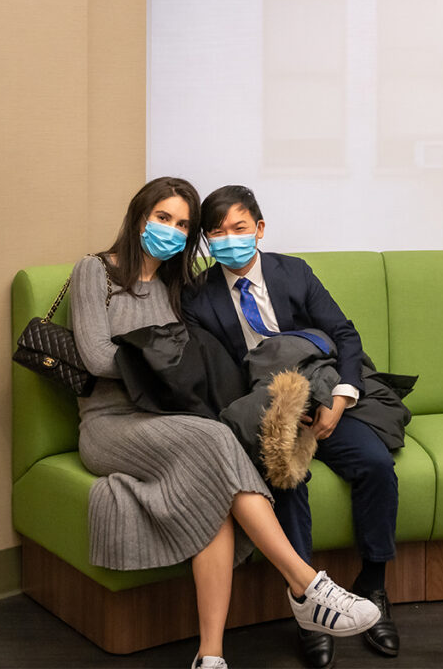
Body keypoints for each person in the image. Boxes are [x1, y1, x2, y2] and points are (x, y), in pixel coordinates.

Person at [71, 177, 380, 669]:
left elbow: (199, 359)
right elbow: (96, 357)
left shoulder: (180, 286)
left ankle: (209, 656)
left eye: (182, 224)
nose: (171, 230)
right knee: (216, 438)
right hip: (112, 423)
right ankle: (307, 587)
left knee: (214, 489)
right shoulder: (97, 271)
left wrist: (167, 362)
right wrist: (163, 358)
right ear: (139, 216)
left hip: (171, 417)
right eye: (162, 218)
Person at [183, 185, 410, 669]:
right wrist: (274, 411)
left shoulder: (293, 272)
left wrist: (341, 398)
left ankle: (373, 585)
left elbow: (345, 333)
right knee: (287, 481)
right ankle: (308, 607)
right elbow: (208, 373)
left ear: (259, 229)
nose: (229, 239)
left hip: (323, 398)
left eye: (239, 229)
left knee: (374, 466)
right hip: (261, 406)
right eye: (217, 233)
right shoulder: (197, 296)